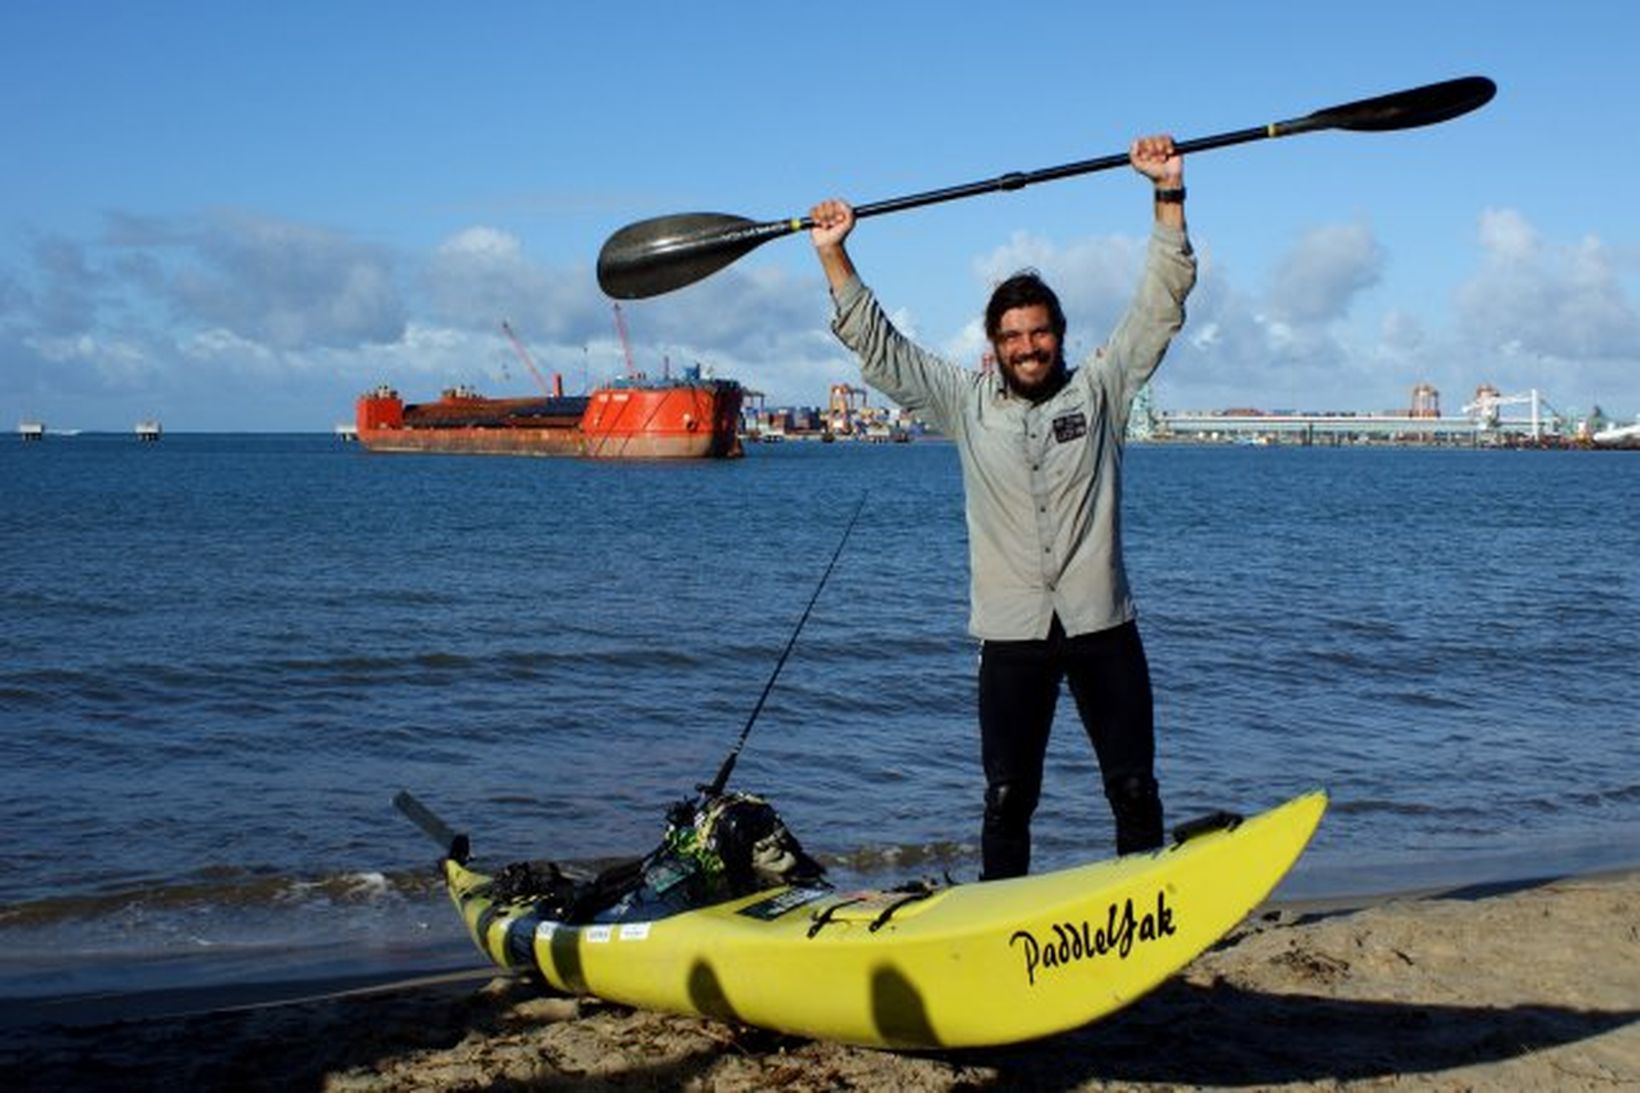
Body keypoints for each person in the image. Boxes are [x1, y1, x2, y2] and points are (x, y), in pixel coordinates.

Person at [809, 135, 1197, 879]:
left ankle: (1146, 912)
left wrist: (1167, 194)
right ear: (994, 344)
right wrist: (833, 253)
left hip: (1102, 625)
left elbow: (1159, 306)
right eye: (1013, 335)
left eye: (1040, 331)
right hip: (1011, 634)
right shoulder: (964, 404)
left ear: (1059, 336)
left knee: (1135, 787)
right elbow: (883, 350)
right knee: (1008, 797)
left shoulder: (1103, 390)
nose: (1028, 346)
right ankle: (1000, 916)